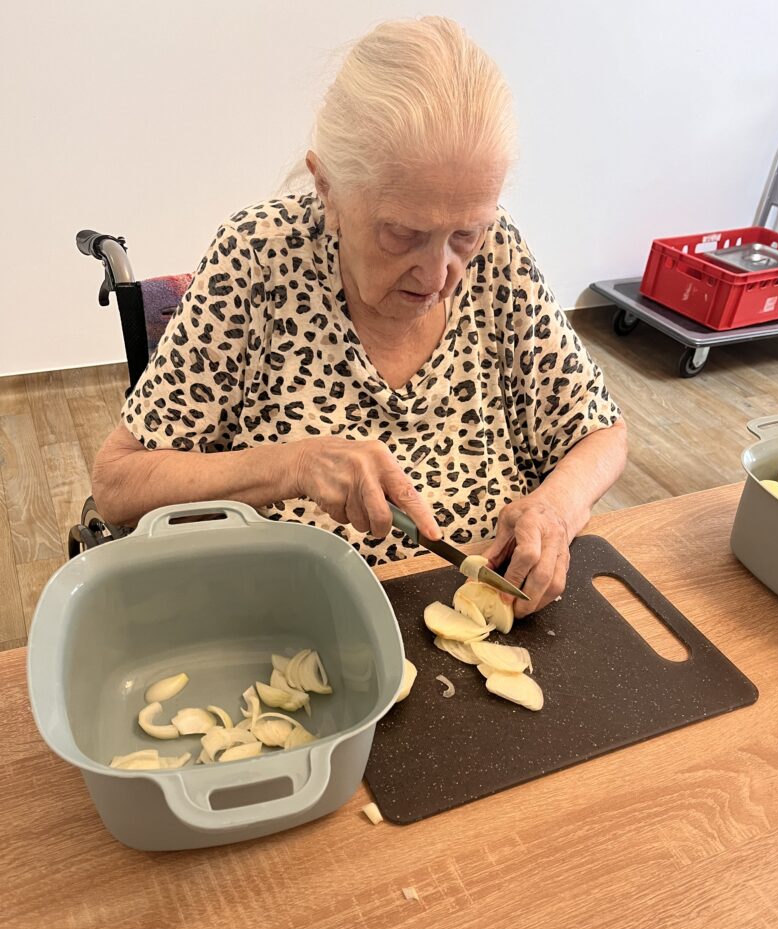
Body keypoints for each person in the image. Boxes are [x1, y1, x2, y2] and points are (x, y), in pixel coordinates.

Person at [93, 16, 627, 616]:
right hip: (290, 626)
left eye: (465, 234)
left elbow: (601, 432)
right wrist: (295, 464)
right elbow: (117, 484)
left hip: (485, 623)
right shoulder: (259, 257)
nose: (439, 275)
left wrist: (556, 508)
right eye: (402, 233)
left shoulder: (498, 250)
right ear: (327, 189)